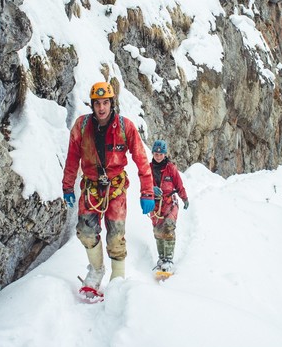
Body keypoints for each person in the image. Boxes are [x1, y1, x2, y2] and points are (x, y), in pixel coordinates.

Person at [62, 81, 155, 293]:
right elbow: (72, 159)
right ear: (92, 105)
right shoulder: (82, 127)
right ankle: (96, 270)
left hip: (116, 189)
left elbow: (142, 160)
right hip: (91, 188)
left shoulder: (125, 128)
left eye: (105, 103)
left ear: (112, 103)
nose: (101, 108)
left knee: (116, 236)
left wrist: (147, 192)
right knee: (86, 231)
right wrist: (68, 187)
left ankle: (118, 280)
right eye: (97, 103)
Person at [149, 139, 188, 273]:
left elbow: (179, 185)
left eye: (161, 154)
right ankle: (161, 258)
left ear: (165, 154)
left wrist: (185, 198)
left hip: (169, 203)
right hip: (155, 205)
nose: (158, 156)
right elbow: (144, 185)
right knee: (158, 231)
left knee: (168, 228)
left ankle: (169, 259)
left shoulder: (170, 168)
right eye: (156, 153)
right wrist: (151, 189)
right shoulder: (148, 168)